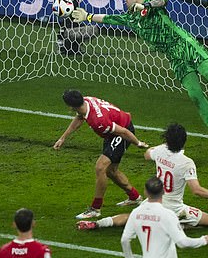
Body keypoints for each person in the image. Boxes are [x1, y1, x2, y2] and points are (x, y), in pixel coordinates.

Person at [71, 0, 208, 154]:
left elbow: (162, 1)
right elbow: (109, 18)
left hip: (184, 45)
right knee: (195, 95)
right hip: (174, 57)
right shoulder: (130, 17)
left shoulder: (151, 1)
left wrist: (145, 7)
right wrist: (88, 16)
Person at [77, 123, 208, 231]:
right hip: (174, 208)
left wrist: (162, 147)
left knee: (131, 217)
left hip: (153, 201)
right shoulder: (187, 163)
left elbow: (147, 155)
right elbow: (196, 190)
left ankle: (96, 224)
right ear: (184, 141)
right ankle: (174, 225)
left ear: (167, 140)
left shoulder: (160, 151)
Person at [53, 89, 150, 219]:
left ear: (70, 106)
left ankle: (95, 208)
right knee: (111, 171)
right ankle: (135, 197)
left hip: (122, 131)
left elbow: (124, 132)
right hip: (112, 131)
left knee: (100, 167)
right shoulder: (86, 101)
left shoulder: (98, 121)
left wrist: (137, 143)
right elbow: (80, 117)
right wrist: (63, 138)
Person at [120, 177, 208, 258]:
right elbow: (182, 242)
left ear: (145, 192)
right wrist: (203, 240)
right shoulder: (168, 215)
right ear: (163, 192)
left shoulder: (136, 213)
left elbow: (124, 240)